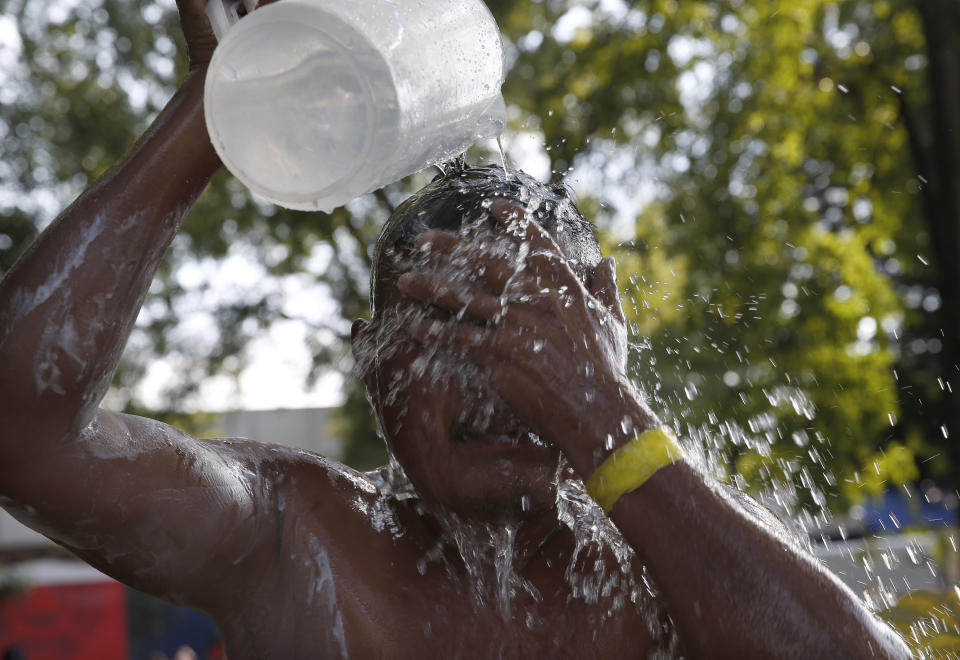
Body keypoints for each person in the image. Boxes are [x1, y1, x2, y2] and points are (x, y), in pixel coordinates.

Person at [0, 1, 909, 658]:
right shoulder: (289, 533)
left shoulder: (675, 553)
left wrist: (598, 410)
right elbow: (20, 432)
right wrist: (214, 109)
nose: (499, 374)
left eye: (538, 330)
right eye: (447, 325)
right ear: (369, 359)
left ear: (606, 339)